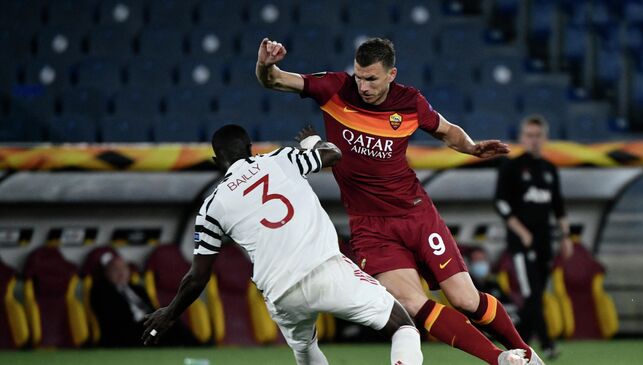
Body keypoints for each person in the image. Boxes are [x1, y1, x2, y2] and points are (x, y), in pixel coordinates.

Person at [255, 37, 538, 365]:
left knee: (465, 299)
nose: (363, 86)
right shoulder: (333, 88)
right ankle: (499, 360)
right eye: (359, 77)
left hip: (416, 214)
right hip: (370, 227)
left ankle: (529, 357)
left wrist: (472, 147)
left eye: (371, 78)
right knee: (412, 303)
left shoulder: (410, 102)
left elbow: (447, 131)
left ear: (391, 74)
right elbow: (275, 79)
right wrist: (265, 64)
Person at [142, 124, 424, 365]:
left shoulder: (210, 208)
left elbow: (197, 277)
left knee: (307, 351)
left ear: (217, 160)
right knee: (403, 327)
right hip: (324, 270)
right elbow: (334, 155)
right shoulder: (280, 159)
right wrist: (312, 141)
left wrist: (170, 313)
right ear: (251, 148)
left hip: (280, 293)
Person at [494, 115, 573, 359]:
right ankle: (547, 344)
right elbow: (501, 203)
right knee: (532, 293)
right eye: (529, 135)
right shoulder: (511, 166)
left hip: (544, 242)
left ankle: (517, 347)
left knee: (536, 296)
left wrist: (565, 236)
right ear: (522, 137)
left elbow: (557, 206)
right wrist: (522, 231)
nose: (534, 140)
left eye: (538, 135)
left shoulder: (549, 169)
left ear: (545, 138)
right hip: (521, 243)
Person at [90, 251, 195, 347]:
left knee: (171, 322)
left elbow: (152, 309)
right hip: (128, 332)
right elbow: (111, 319)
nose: (121, 273)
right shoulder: (101, 291)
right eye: (115, 269)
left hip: (148, 327)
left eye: (123, 268)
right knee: (161, 332)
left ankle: (196, 346)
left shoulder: (138, 289)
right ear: (106, 273)